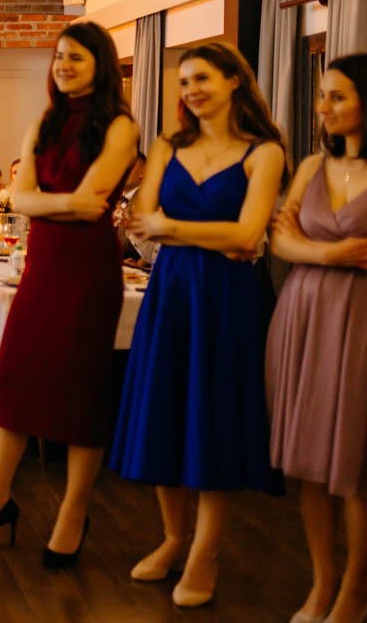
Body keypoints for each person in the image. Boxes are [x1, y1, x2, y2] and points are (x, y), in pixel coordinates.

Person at [0, 22, 138, 572]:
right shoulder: (44, 122)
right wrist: (61, 203)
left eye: (76, 57)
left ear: (100, 64)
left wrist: (41, 201)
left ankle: (73, 514)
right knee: (13, 377)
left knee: (82, 388)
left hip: (88, 270)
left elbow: (86, 200)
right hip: (43, 266)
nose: (64, 65)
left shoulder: (120, 125)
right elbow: (30, 199)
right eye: (59, 57)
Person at [111, 41, 286, 608]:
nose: (191, 91)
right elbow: (142, 220)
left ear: (235, 80)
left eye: (203, 78)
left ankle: (205, 552)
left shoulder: (264, 152)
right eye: (185, 82)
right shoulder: (168, 144)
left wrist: (175, 227)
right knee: (165, 409)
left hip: (230, 298)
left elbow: (249, 235)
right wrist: (212, 234)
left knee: (216, 418)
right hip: (173, 291)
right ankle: (172, 538)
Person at [266, 52, 367, 623]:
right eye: (322, 95)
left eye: (337, 96)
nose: (323, 107)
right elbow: (279, 240)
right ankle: (322, 582)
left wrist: (307, 246)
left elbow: (293, 237)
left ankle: (354, 590)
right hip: (304, 313)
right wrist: (333, 253)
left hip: (360, 320)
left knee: (354, 462)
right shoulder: (310, 166)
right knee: (308, 458)